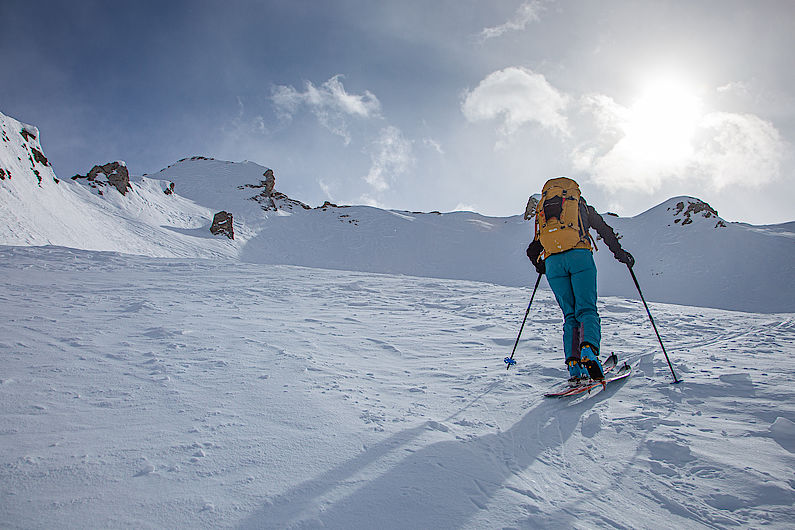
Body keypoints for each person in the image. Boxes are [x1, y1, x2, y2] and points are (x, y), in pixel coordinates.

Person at [526, 177, 634, 382]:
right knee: (586, 309)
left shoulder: (545, 213)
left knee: (570, 314)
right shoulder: (580, 206)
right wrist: (620, 254)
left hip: (553, 264)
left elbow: (533, 249)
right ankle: (589, 351)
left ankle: (574, 365)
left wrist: (541, 265)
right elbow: (604, 231)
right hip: (580, 257)